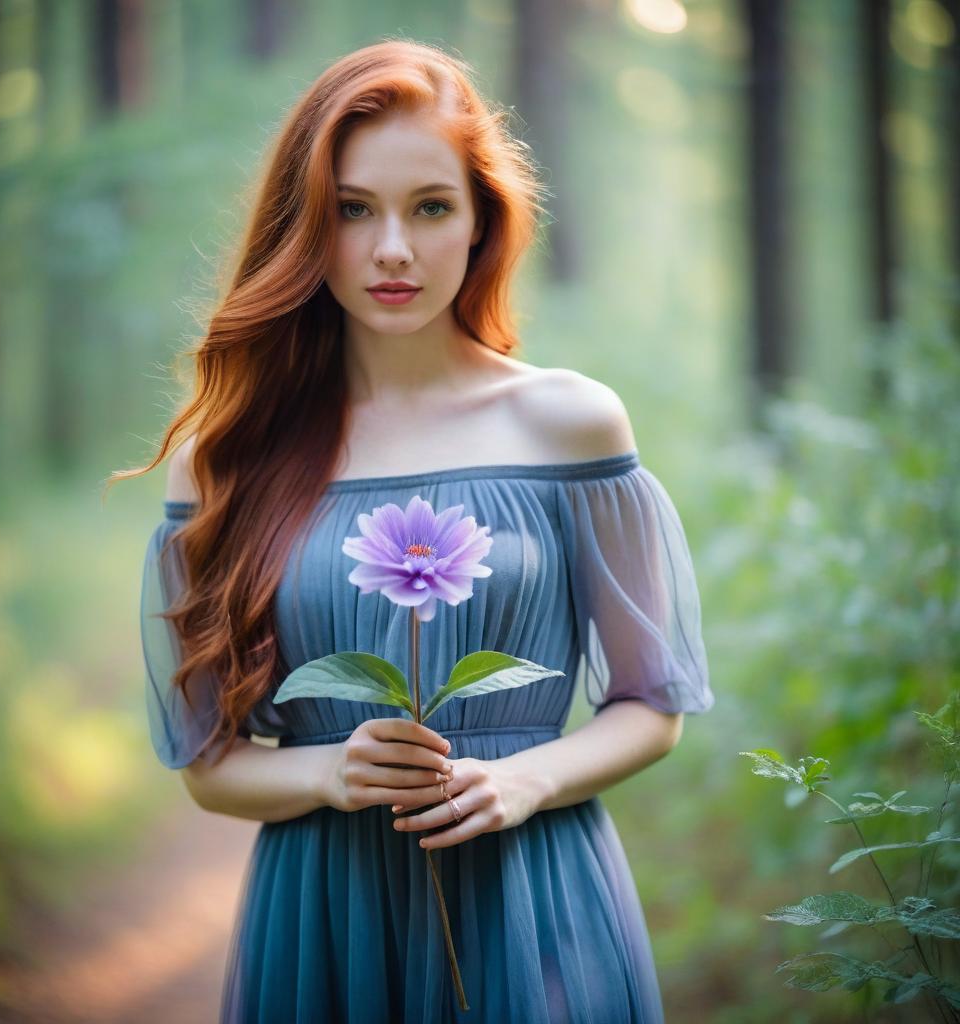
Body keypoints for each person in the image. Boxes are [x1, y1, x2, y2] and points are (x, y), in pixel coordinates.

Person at [119, 38, 714, 1023]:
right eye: (353, 210)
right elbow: (209, 765)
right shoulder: (227, 462)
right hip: (323, 912)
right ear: (305, 227)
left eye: (429, 207)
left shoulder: (570, 423)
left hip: (533, 895)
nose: (392, 248)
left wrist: (523, 781)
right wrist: (329, 768)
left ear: (482, 222)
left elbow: (653, 705)